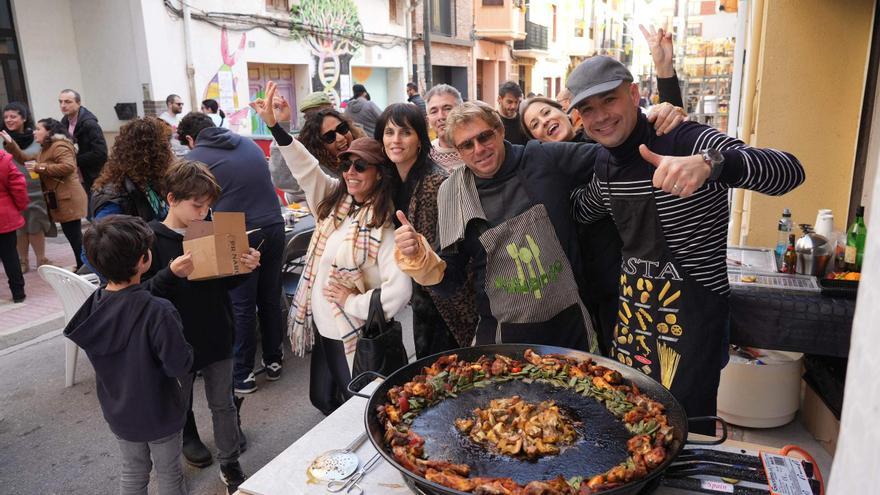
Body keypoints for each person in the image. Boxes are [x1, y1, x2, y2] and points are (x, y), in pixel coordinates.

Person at [569, 56, 804, 428]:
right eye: (588, 109)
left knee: (685, 436)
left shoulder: (686, 138)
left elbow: (790, 170)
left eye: (609, 100)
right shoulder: (604, 162)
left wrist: (712, 164)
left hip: (691, 322)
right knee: (630, 429)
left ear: (633, 94)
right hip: (633, 323)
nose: (600, 117)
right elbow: (583, 209)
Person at [253, 81, 411, 414]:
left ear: (380, 175)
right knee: (321, 399)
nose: (350, 173)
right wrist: (273, 126)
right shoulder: (336, 199)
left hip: (348, 330)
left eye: (360, 166)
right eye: (345, 165)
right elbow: (305, 167)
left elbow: (398, 294)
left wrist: (351, 301)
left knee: (357, 410)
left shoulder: (382, 227)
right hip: (324, 327)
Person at [143, 161, 260, 492]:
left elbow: (224, 285)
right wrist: (170, 274)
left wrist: (245, 268)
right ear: (171, 198)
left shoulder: (209, 230)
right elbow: (142, 296)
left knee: (222, 403)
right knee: (178, 406)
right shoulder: (151, 239)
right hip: (174, 341)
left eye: (208, 205)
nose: (204, 212)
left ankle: (229, 461)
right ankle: (174, 465)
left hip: (217, 333)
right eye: (197, 204)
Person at [64, 215, 193, 495]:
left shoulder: (93, 307)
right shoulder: (158, 310)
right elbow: (178, 364)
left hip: (119, 411)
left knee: (133, 472)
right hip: (161, 411)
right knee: (170, 474)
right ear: (144, 259)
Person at [177, 112, 285, 394]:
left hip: (237, 229)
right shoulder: (247, 142)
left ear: (190, 139)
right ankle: (274, 360)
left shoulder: (193, 158)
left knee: (242, 304)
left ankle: (243, 373)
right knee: (270, 296)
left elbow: (190, 205)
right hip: (274, 223)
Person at [374, 103, 478, 357]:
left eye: (405, 132)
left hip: (446, 301)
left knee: (443, 369)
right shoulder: (392, 181)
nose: (396, 140)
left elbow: (449, 256)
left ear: (420, 140)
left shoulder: (437, 183)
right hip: (422, 297)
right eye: (389, 132)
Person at [2, 118, 88, 270]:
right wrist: (11, 144)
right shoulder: (45, 148)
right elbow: (24, 159)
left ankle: (85, 266)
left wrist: (40, 168)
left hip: (69, 199)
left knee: (75, 236)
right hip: (60, 199)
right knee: (73, 236)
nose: (34, 132)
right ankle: (83, 265)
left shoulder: (59, 145)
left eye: (38, 129)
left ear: (49, 131)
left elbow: (68, 166)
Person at [269, 107, 364, 204]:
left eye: (342, 129)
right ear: (318, 145)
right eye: (329, 137)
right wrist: (281, 126)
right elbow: (282, 179)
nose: (340, 138)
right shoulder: (320, 174)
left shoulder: (368, 156)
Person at [90, 117, 173, 222]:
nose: (170, 151)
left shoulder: (150, 181)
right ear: (155, 152)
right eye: (166, 146)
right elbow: (102, 234)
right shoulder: (114, 195)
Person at [1, 102, 52, 272]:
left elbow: (39, 159)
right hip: (10, 191)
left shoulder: (36, 137)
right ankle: (23, 260)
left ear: (23, 118)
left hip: (35, 189)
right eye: (6, 117)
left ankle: (41, 259)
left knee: (36, 223)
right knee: (19, 228)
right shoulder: (1, 139)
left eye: (13, 116)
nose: (9, 120)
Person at [58, 89, 107, 201]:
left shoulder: (90, 124)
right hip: (75, 178)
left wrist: (73, 160)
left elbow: (101, 153)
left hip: (92, 177)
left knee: (94, 213)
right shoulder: (64, 121)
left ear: (78, 103)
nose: (63, 105)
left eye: (67, 102)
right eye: (60, 102)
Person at [0, 148, 27, 302]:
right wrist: (19, 206)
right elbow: (18, 185)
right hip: (5, 216)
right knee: (10, 255)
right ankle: (18, 292)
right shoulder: (4, 160)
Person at [425, 84, 466, 171]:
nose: (441, 116)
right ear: (428, 119)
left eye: (447, 109)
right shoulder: (425, 156)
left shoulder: (477, 148)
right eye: (434, 111)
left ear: (461, 111)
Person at [497, 81, 527, 145]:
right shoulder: (492, 121)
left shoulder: (523, 121)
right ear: (499, 99)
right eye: (509, 102)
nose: (513, 106)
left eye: (516, 102)